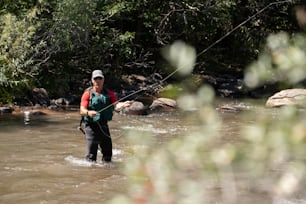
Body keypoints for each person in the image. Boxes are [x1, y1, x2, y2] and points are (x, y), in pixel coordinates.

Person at [80, 70, 117, 162]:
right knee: (91, 156)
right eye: (96, 79)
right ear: (92, 80)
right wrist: (88, 113)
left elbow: (116, 105)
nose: (98, 81)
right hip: (90, 126)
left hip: (103, 124)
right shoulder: (87, 94)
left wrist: (123, 105)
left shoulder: (109, 93)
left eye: (100, 78)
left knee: (108, 154)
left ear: (103, 80)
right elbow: (82, 110)